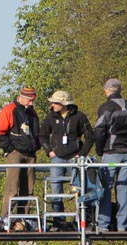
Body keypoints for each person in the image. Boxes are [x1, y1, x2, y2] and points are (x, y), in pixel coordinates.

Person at [94, 78, 127, 232]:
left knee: (105, 189)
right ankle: (123, 225)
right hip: (126, 154)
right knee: (123, 188)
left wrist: (100, 149)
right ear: (120, 89)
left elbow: (99, 130)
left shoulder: (106, 107)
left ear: (106, 90)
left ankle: (103, 224)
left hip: (111, 154)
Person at [38, 90, 93, 220]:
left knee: (81, 189)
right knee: (55, 190)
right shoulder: (50, 117)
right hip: (57, 159)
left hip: (75, 159)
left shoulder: (79, 117)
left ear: (64, 103)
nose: (53, 106)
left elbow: (90, 137)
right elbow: (42, 135)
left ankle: (82, 219)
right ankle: (58, 221)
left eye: (56, 103)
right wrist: (49, 151)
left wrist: (82, 154)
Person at [0, 86, 41, 218]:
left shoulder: (32, 113)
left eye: (33, 100)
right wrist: (10, 150)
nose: (31, 103)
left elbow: (36, 132)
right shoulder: (9, 110)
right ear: (22, 97)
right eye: (29, 100)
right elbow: (1, 133)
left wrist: (35, 146)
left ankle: (24, 219)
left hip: (30, 155)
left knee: (28, 189)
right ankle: (6, 218)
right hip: (15, 153)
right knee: (12, 189)